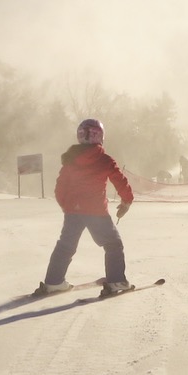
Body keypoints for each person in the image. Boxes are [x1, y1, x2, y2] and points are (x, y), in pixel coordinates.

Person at [36, 118, 134, 298]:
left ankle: (53, 282)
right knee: (112, 244)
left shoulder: (70, 161)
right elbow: (120, 180)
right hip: (96, 212)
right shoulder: (103, 159)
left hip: (74, 212)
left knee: (65, 245)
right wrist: (126, 200)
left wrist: (68, 206)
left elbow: (59, 188)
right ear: (100, 137)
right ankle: (116, 281)